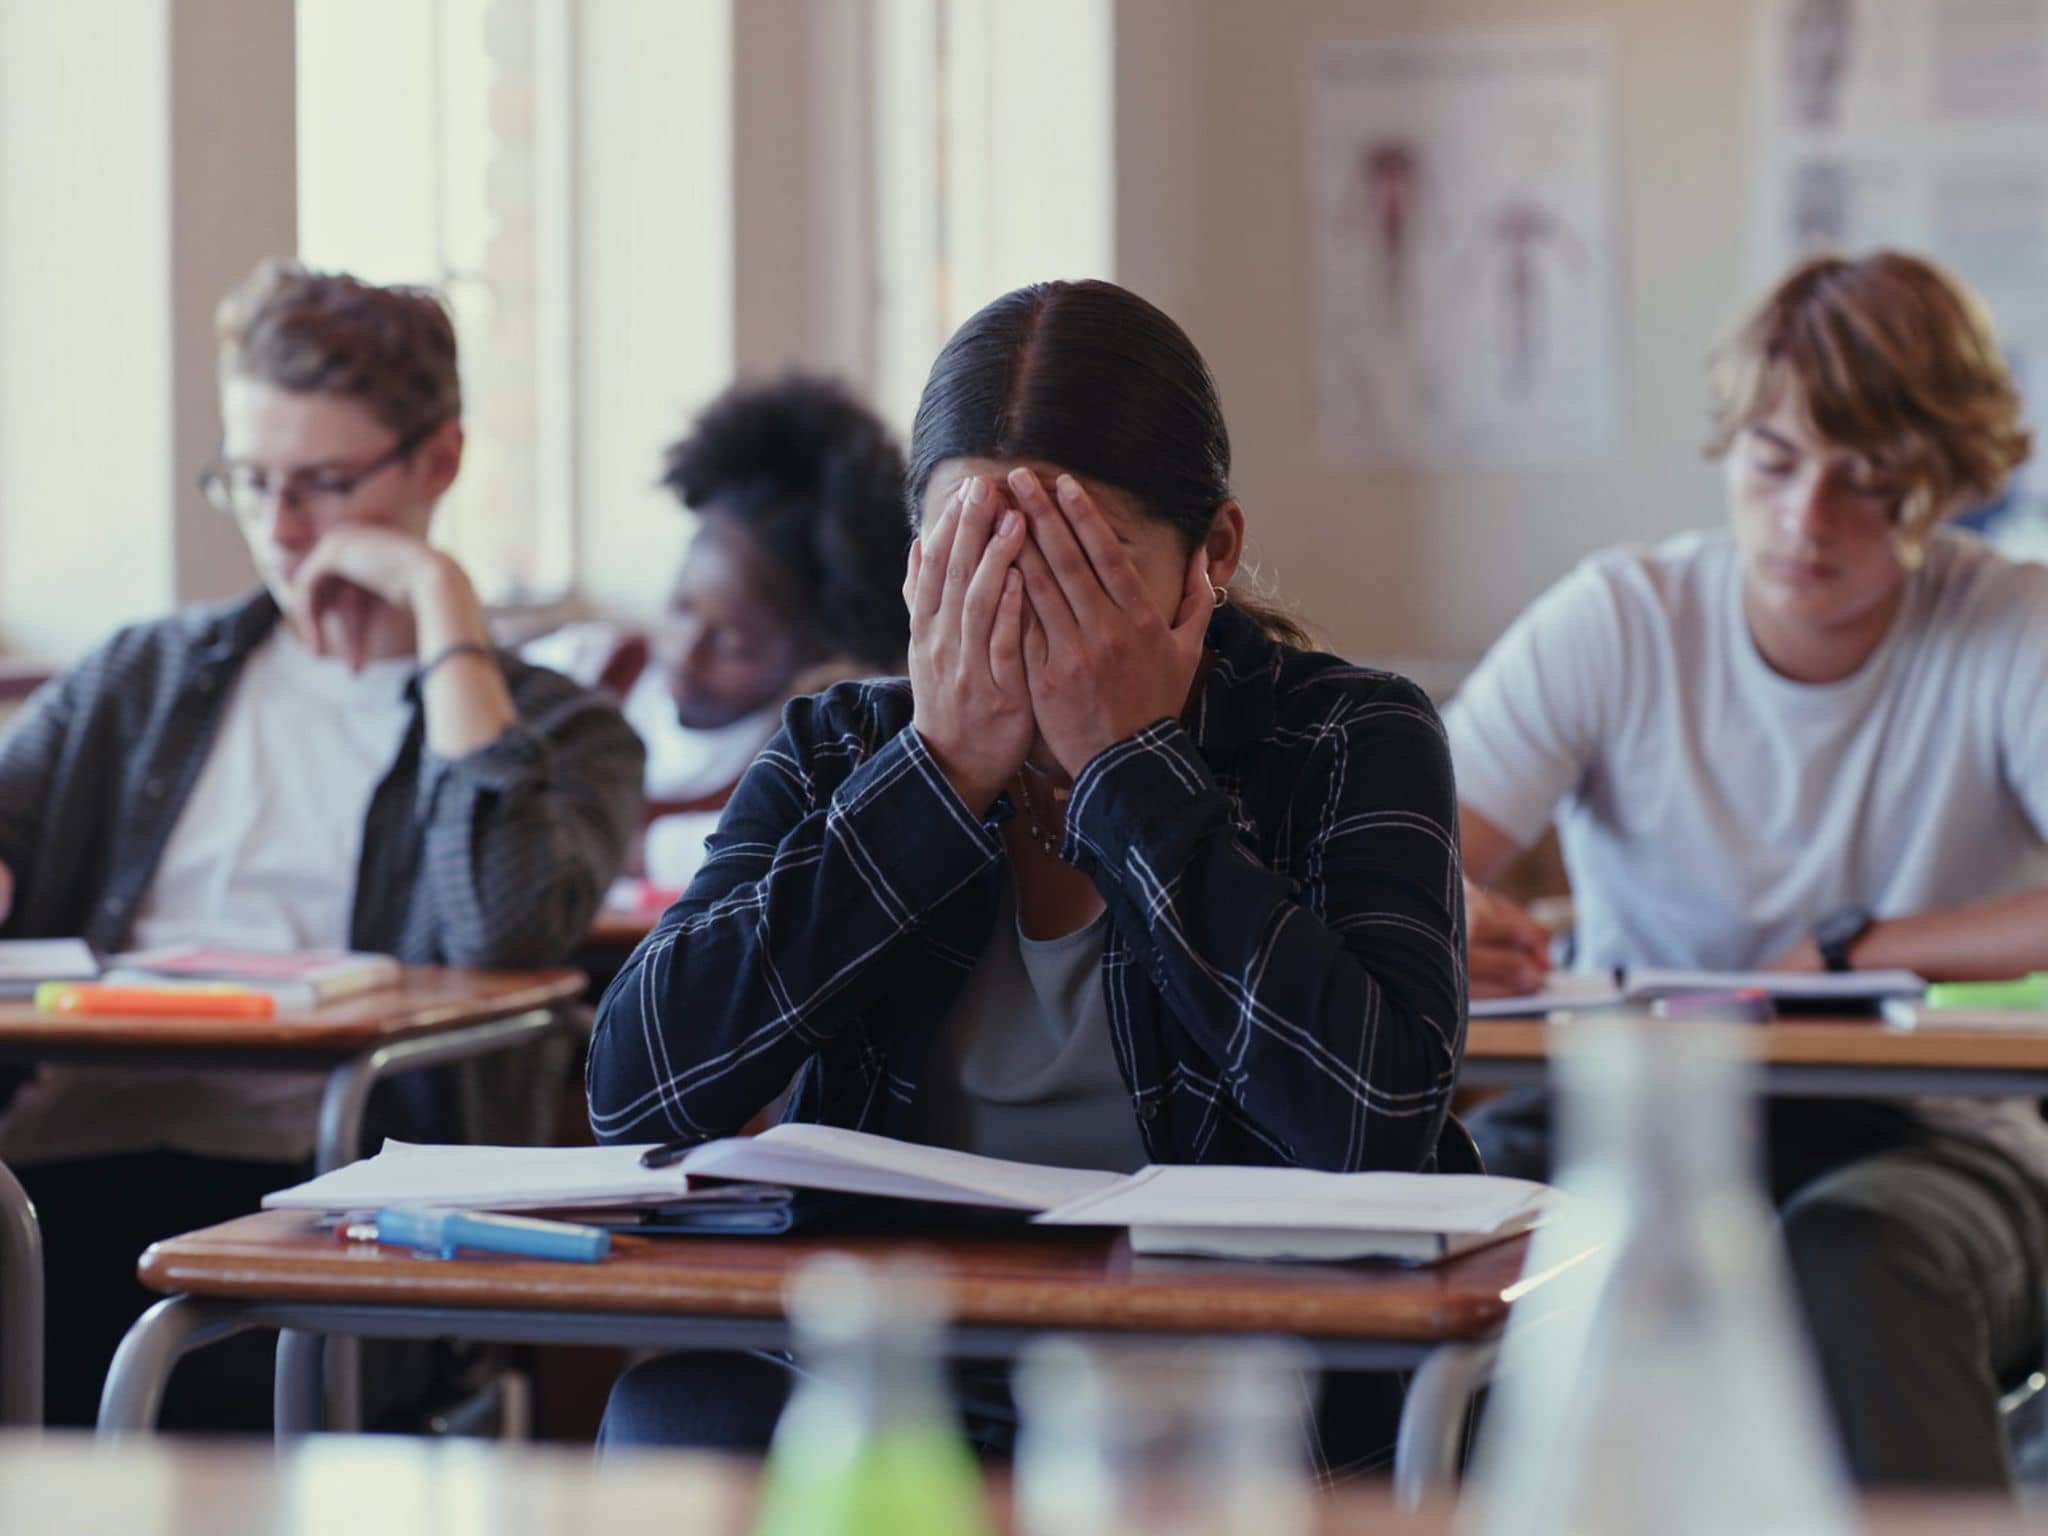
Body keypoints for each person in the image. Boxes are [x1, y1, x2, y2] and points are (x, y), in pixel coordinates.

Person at [587, 279, 1467, 1465]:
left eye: (1078, 569)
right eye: (979, 561)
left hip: (1232, 1368)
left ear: (1211, 553)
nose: (1022, 612)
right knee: (671, 1421)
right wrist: (937, 774)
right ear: (913, 570)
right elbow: (636, 1091)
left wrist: (1131, 768)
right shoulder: (843, 746)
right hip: (900, 1360)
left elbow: (1377, 1124)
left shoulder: (1350, 737)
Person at [0, 259, 644, 1426]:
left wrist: (443, 610)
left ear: (437, 462)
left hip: (332, 1181)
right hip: (59, 1158)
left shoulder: (563, 729)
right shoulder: (146, 678)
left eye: (325, 483)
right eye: (251, 483)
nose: (282, 530)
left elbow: (506, 924)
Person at [1450, 251, 2046, 1487]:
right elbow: (1398, 866)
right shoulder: (1621, 621)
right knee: (1449, 1221)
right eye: (1774, 463)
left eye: (1867, 483)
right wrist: (1440, 913)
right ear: (1731, 449)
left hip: (1934, 1142)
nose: (1806, 519)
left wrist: (1865, 944)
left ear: (1943, 484)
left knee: (1860, 1257)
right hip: (1623, 1113)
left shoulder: (2007, 626)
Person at [527, 376, 911, 890]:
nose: (688, 651)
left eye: (735, 643)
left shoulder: (801, 764)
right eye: (683, 607)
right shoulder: (583, 669)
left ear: (813, 648)